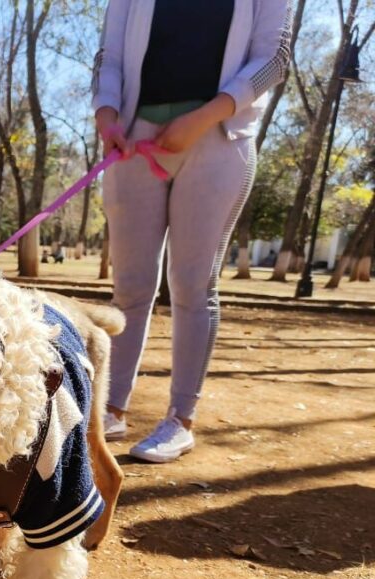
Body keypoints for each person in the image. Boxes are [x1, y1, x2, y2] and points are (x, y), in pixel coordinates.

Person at [92, 0, 289, 462]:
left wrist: (202, 118)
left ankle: (180, 419)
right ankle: (112, 409)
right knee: (131, 288)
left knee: (193, 287)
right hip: (135, 139)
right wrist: (108, 116)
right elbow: (110, 56)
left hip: (219, 138)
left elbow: (274, 59)